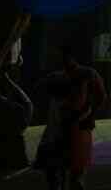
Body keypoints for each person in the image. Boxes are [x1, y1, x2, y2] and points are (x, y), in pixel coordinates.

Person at [35, 45, 106, 190]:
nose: (59, 60)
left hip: (76, 128)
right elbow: (39, 88)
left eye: (60, 56)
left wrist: (90, 117)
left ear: (69, 56)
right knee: (58, 171)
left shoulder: (86, 74)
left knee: (74, 173)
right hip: (63, 128)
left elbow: (101, 96)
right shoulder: (58, 76)